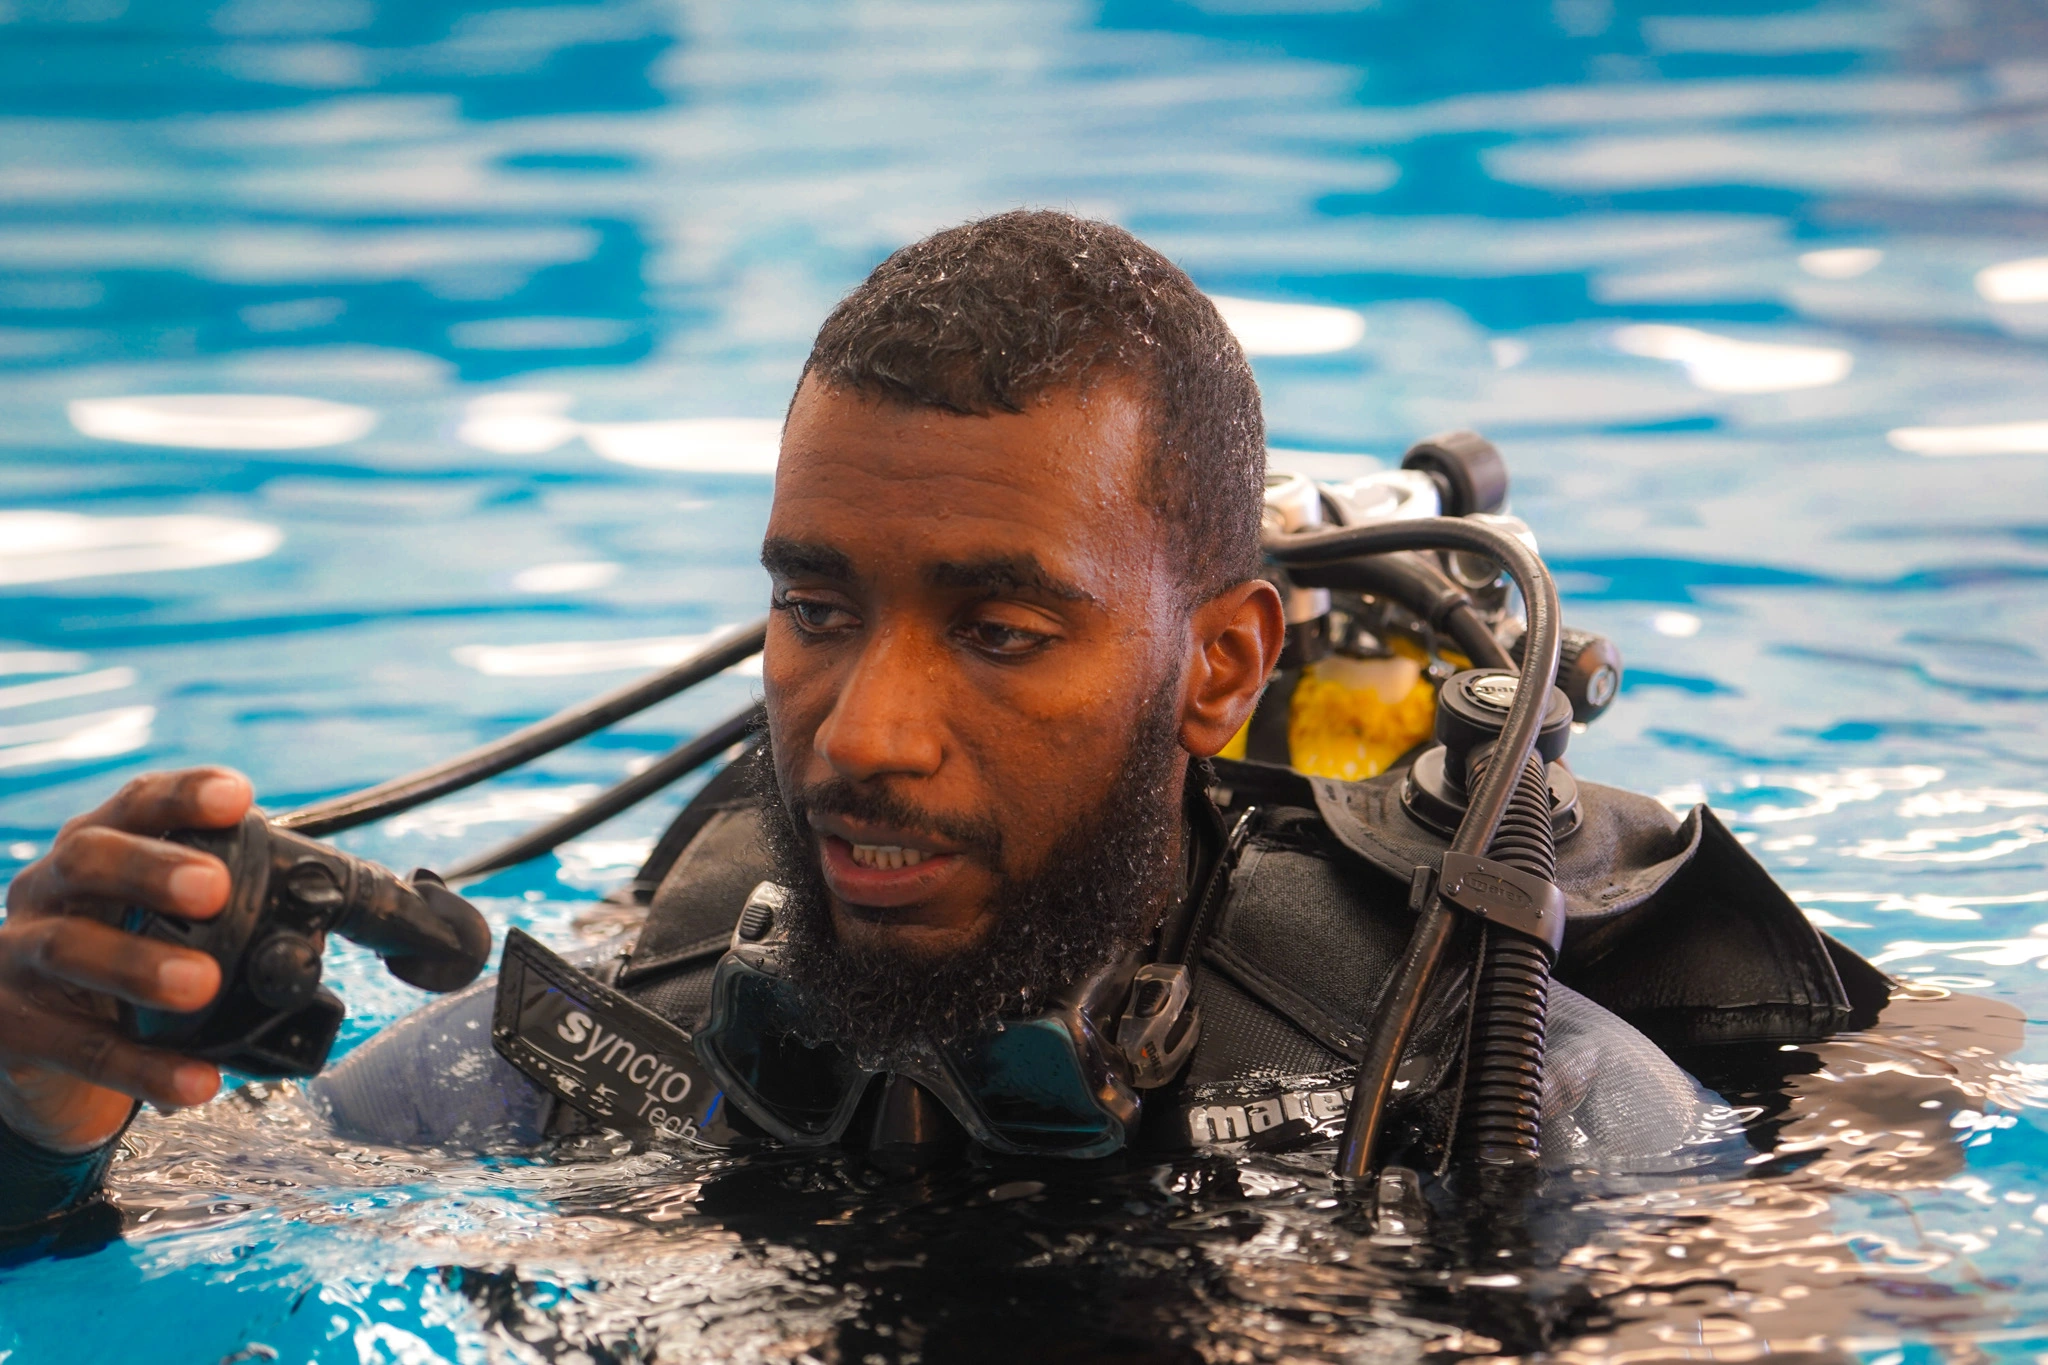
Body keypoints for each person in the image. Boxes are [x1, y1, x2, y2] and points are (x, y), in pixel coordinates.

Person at [0, 211, 1890, 1232]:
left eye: (1002, 629)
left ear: (1219, 668)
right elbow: (141, 1223)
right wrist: (40, 1098)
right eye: (817, 609)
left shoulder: (1505, 1113)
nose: (859, 734)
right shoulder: (611, 1057)